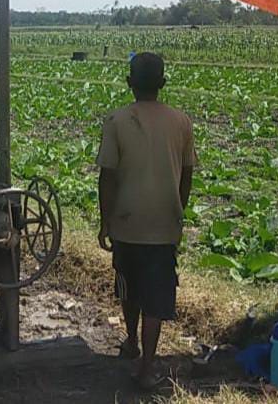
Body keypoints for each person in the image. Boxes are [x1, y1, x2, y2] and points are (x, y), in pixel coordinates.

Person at [96, 52, 196, 390]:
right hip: (164, 224)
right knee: (156, 294)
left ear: (129, 83)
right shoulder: (181, 121)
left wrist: (105, 220)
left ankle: (131, 341)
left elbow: (107, 177)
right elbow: (187, 174)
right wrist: (178, 211)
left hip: (127, 222)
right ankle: (147, 366)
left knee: (129, 285)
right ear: (163, 84)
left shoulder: (117, 121)